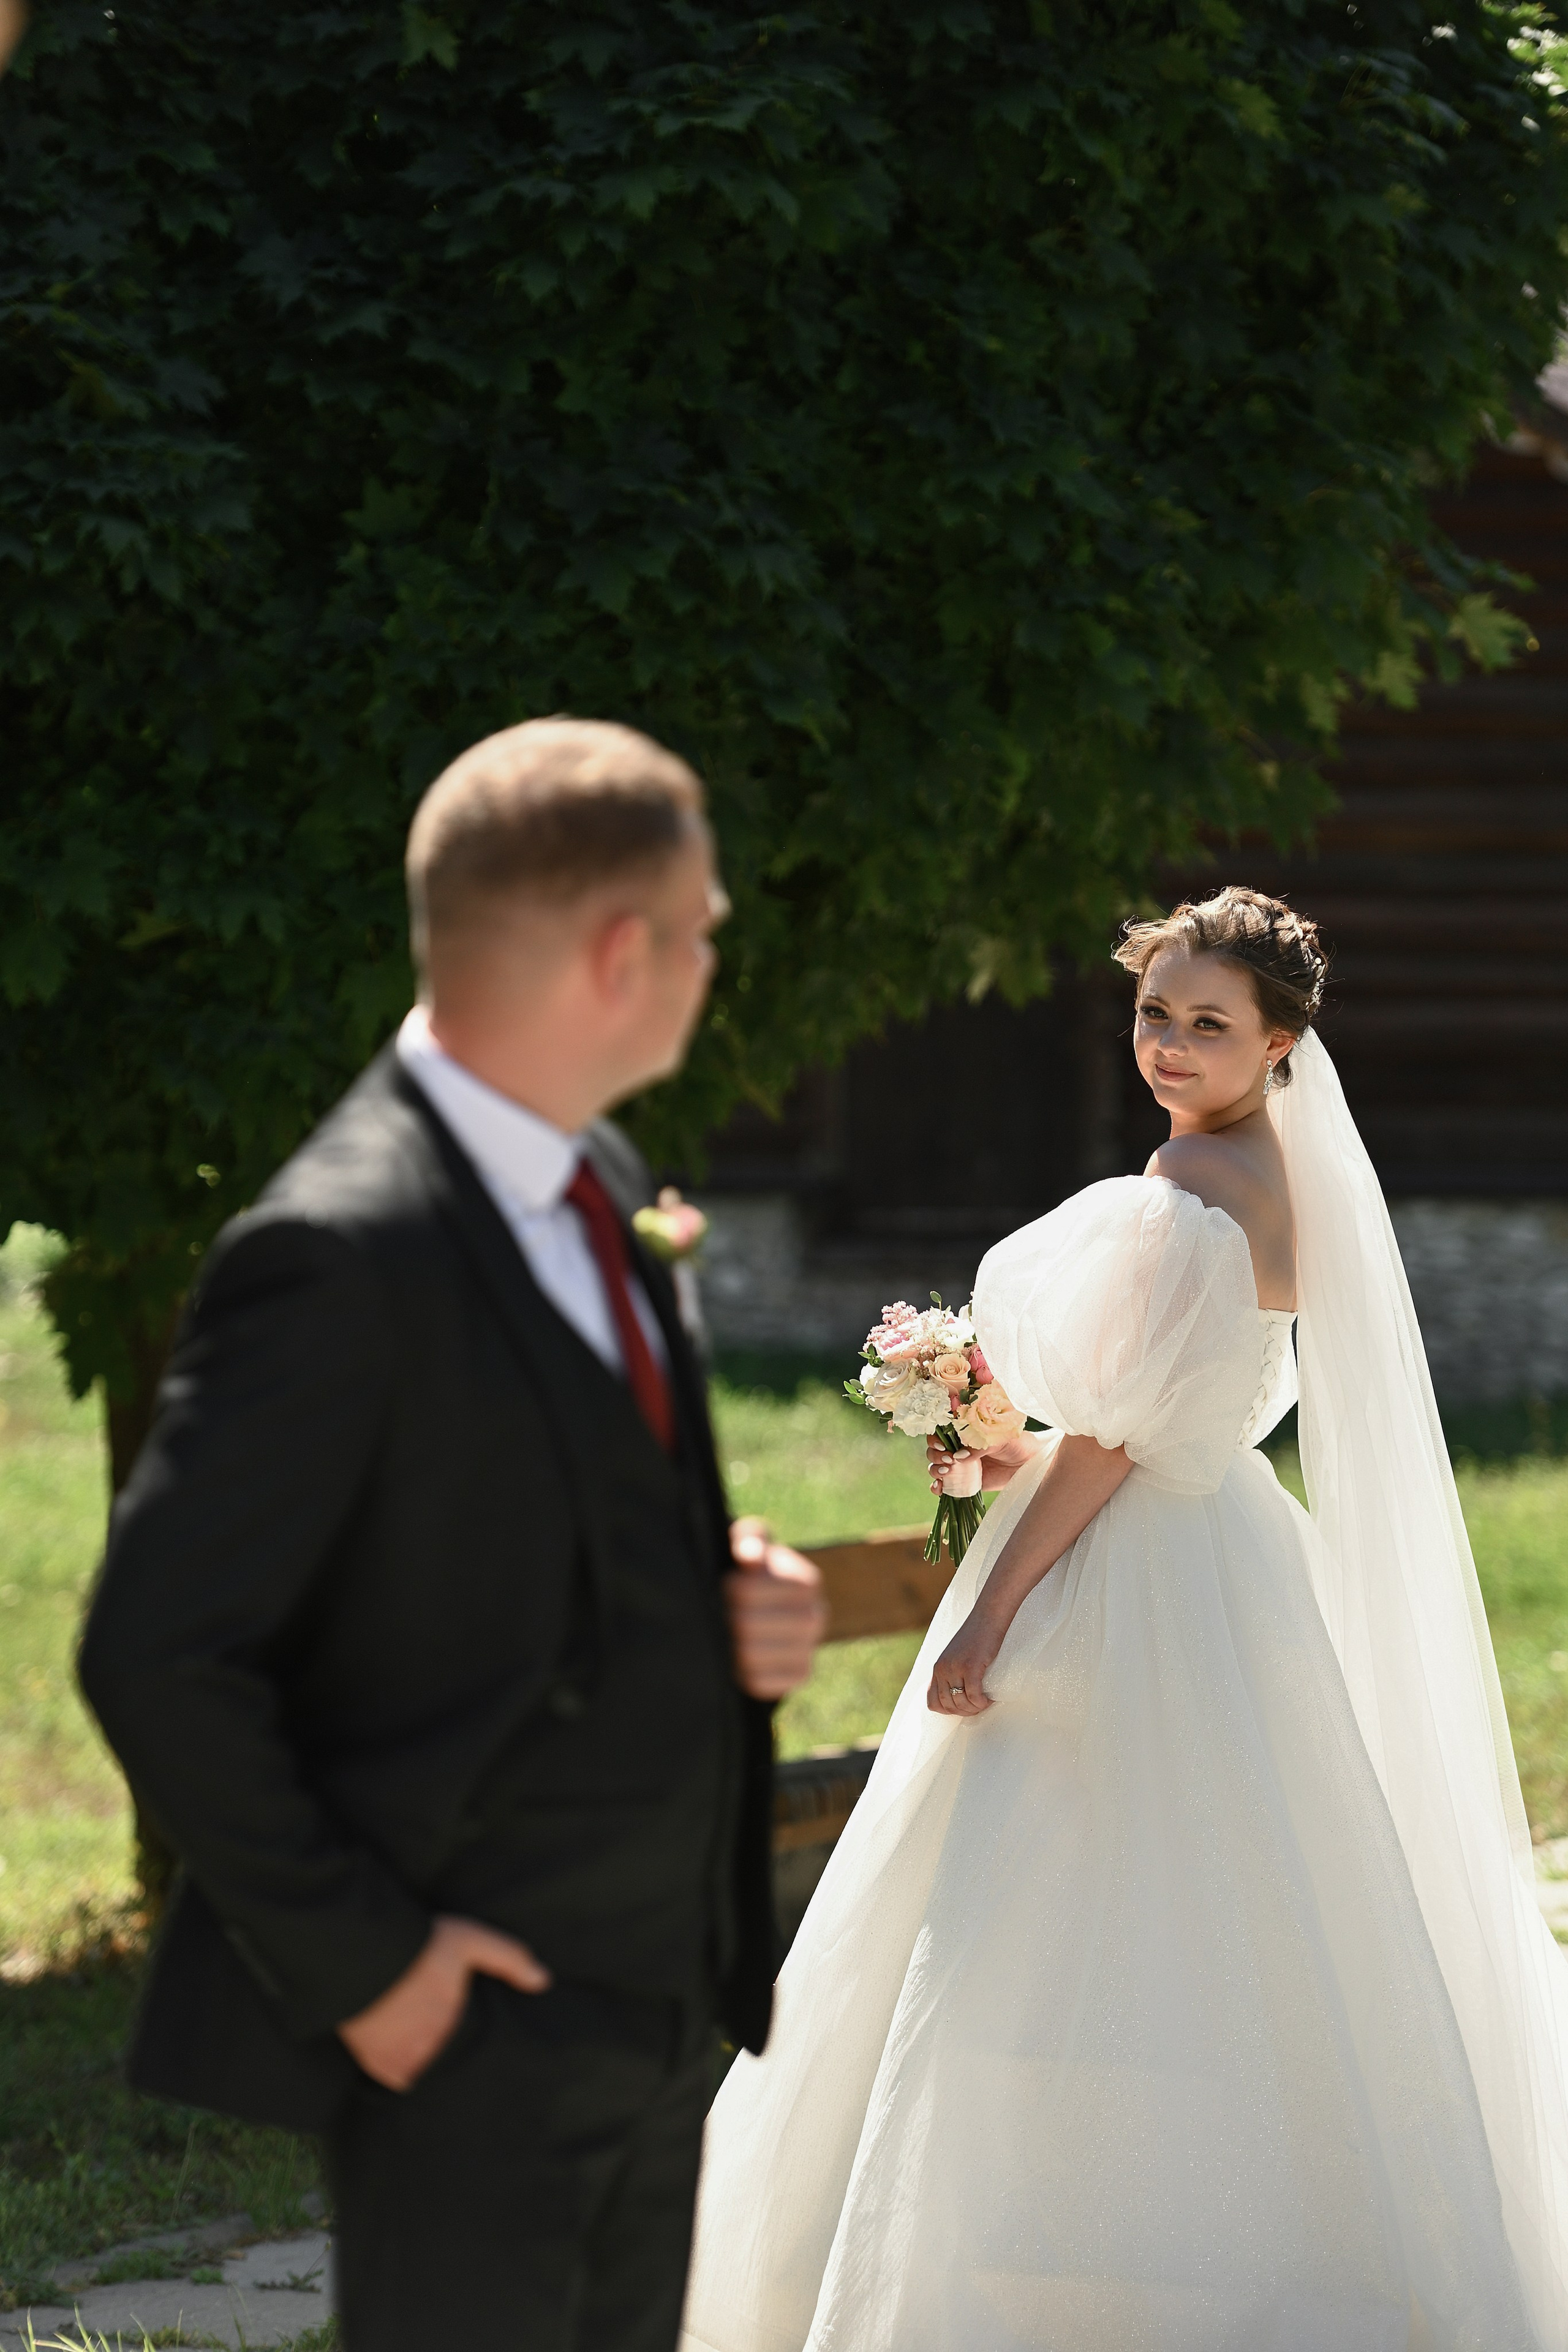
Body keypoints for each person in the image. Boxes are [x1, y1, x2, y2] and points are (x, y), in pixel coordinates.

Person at [679, 886, 1568, 2352]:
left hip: (1124, 1565)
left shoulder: (1198, 1182)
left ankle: (1030, 2246)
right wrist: (988, 1432)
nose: (1166, 1045)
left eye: (1206, 1024)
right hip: (1224, 1545)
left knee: (1028, 1891)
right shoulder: (1272, 1172)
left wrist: (986, 1618)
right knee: (1225, 1892)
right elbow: (1167, 1407)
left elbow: (1107, 1443)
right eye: (1154, 1013)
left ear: (1277, 1043)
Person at [79, 717, 827, 2352]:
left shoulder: (598, 1174)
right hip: (473, 2029)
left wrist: (725, 1596)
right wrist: (372, 1972)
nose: (710, 966)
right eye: (700, 933)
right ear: (621, 953)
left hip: (660, 2002)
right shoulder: (339, 1252)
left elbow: (532, 1506)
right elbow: (156, 1651)